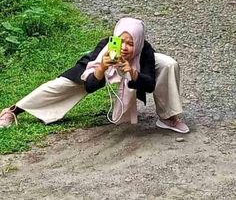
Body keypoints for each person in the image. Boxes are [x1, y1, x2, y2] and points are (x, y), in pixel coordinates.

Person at [0, 17, 189, 133]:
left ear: (139, 43)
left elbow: (148, 85)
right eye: (120, 42)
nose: (124, 48)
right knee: (64, 84)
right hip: (99, 66)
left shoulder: (145, 51)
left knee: (168, 63)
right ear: (114, 38)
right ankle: (14, 110)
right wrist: (101, 68)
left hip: (135, 68)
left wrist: (131, 72)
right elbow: (89, 86)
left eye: (130, 44)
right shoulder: (104, 47)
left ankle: (168, 117)